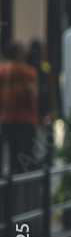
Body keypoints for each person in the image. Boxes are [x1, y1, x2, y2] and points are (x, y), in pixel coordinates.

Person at [0, 42, 40, 175]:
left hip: (6, 118)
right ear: (19, 54)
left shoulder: (2, 71)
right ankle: (22, 187)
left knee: (10, 153)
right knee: (25, 157)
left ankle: (10, 183)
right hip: (26, 120)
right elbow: (35, 95)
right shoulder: (28, 72)